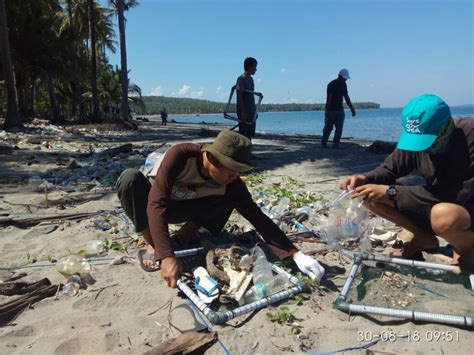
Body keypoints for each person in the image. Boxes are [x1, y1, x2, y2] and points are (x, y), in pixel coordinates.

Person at [117, 130, 325, 287]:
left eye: (239, 170)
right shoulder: (181, 156)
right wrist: (166, 254)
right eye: (231, 169)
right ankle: (152, 244)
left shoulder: (231, 182)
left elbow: (256, 216)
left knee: (231, 198)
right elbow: (157, 202)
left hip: (191, 209)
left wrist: (296, 254)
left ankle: (185, 235)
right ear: (212, 158)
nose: (235, 175)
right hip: (160, 208)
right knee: (129, 178)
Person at [339, 94, 474, 268]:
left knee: (444, 216)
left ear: (446, 127)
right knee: (369, 195)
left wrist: (392, 192)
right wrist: (364, 178)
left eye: (427, 142)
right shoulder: (416, 140)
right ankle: (423, 237)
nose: (422, 148)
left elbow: (455, 194)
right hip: (438, 201)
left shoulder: (469, 136)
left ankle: (466, 248)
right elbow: (389, 169)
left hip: (463, 206)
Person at [322, 68, 356, 148]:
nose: (345, 80)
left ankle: (336, 144)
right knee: (328, 127)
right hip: (331, 110)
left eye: (346, 78)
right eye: (344, 78)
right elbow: (329, 98)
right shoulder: (331, 84)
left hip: (340, 109)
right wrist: (329, 111)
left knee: (339, 127)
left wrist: (352, 108)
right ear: (339, 76)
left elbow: (346, 97)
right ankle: (324, 143)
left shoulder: (344, 85)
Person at [236, 57, 258, 139]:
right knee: (243, 135)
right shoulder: (242, 78)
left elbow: (251, 96)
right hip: (244, 111)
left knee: (250, 134)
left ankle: (248, 151)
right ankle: (242, 152)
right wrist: (243, 112)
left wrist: (255, 111)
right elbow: (239, 95)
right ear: (250, 67)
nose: (256, 69)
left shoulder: (251, 79)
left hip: (251, 111)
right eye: (255, 67)